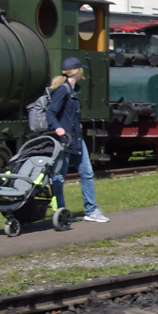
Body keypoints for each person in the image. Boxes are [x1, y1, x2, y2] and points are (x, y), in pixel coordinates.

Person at [45, 57, 107, 222]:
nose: (83, 72)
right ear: (77, 71)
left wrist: (76, 125)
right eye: (82, 69)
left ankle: (91, 210)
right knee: (59, 177)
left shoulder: (72, 91)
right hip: (64, 140)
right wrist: (58, 128)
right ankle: (61, 212)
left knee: (87, 173)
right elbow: (51, 112)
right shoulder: (62, 90)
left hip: (76, 139)